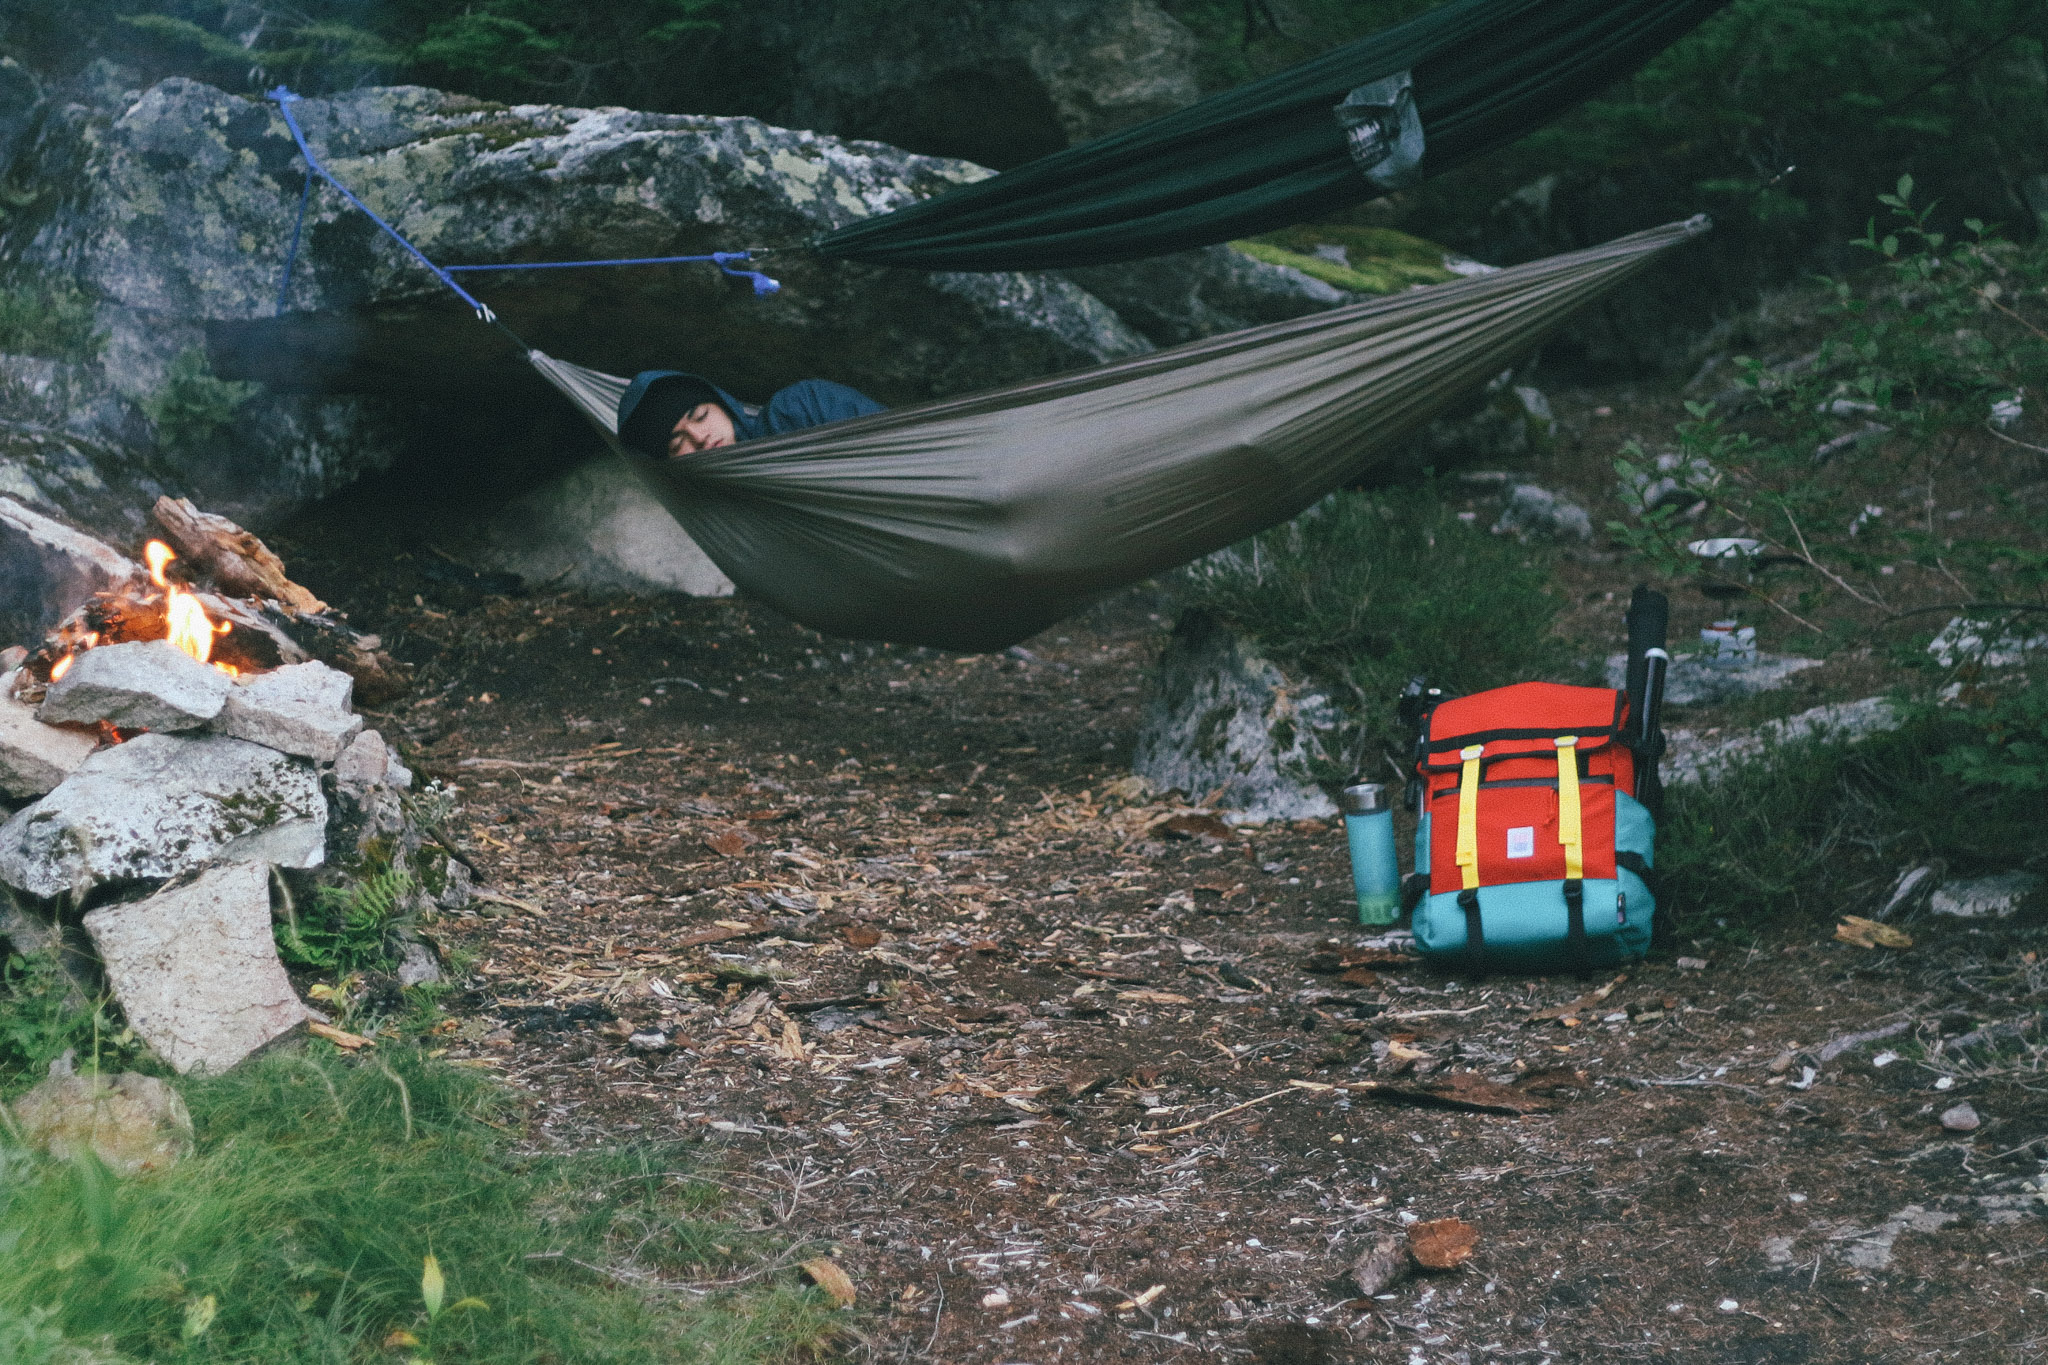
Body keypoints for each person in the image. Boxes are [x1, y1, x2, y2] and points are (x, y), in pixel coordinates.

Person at [616, 370, 885, 458]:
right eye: (677, 442)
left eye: (700, 415)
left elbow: (894, 443)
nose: (699, 436)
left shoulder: (800, 405)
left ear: (721, 404)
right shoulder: (717, 514)